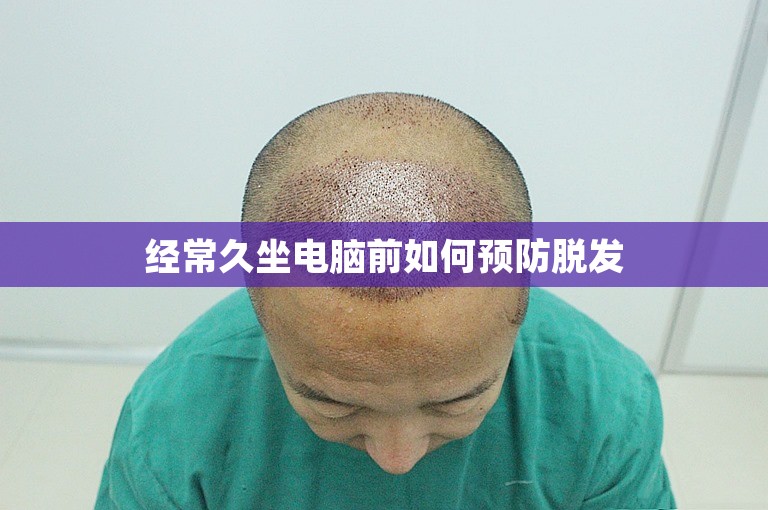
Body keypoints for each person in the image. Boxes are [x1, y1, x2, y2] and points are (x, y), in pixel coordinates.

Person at [95, 93, 675, 509]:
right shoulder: (173, 424)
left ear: (521, 305)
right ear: (259, 310)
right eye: (335, 406)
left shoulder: (604, 407)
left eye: (455, 402)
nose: (398, 458)